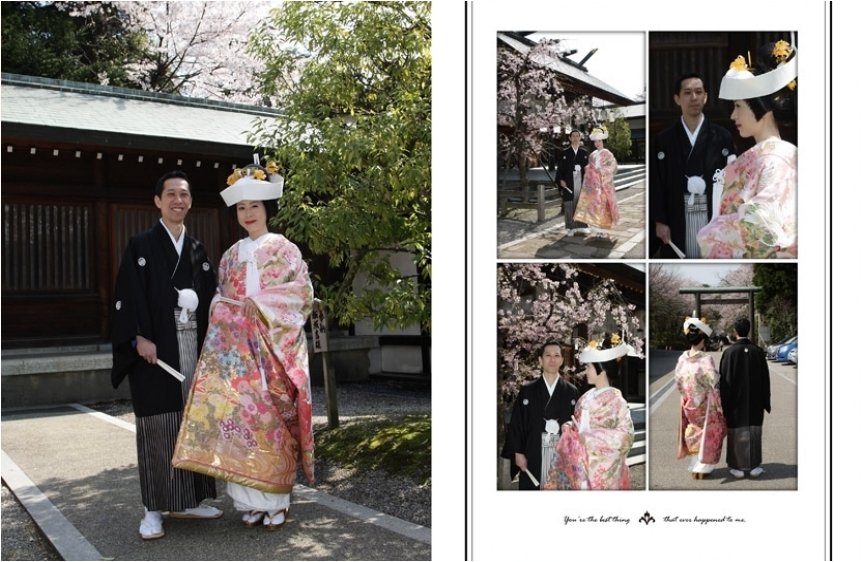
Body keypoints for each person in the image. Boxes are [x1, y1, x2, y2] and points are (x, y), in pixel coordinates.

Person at [172, 158, 315, 530]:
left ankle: (277, 500)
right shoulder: (230, 255)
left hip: (271, 349)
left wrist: (263, 306)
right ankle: (247, 501)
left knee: (269, 421)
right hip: (236, 354)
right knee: (237, 420)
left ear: (267, 209)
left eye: (254, 206)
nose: (248, 213)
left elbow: (300, 293)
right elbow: (219, 295)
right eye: (241, 207)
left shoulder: (284, 249)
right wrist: (221, 305)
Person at [110, 170, 221, 540]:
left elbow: (211, 300)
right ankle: (153, 509)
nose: (178, 200)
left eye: (184, 195)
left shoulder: (197, 249)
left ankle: (190, 499)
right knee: (158, 427)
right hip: (154, 352)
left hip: (192, 347)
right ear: (157, 201)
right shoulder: (140, 246)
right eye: (171, 194)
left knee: (192, 424)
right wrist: (138, 337)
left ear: (190, 201)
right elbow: (127, 295)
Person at [697, 40, 798, 258]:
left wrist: (711, 231)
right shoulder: (774, 155)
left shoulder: (775, 159)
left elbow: (762, 224)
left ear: (762, 106)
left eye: (738, 106)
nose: (733, 115)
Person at [650, 73, 736, 258]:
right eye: (687, 93)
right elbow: (656, 183)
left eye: (698, 92)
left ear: (706, 97)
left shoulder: (722, 137)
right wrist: (660, 220)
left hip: (713, 216)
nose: (694, 97)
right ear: (677, 99)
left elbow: (732, 183)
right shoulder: (664, 140)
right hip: (676, 216)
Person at [544, 336, 635, 490]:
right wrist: (569, 427)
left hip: (600, 471)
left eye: (588, 367)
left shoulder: (617, 402)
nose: (585, 371)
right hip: (578, 468)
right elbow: (579, 426)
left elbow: (626, 436)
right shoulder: (585, 398)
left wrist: (588, 437)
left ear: (602, 370)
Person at [501, 341, 580, 490]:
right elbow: (517, 424)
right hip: (532, 453)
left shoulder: (572, 391)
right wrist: (518, 452)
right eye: (548, 355)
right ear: (540, 360)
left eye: (557, 355)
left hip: (562, 455)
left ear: (562, 360)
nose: (552, 359)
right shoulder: (527, 390)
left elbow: (577, 426)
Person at [675, 314, 727, 480]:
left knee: (693, 431)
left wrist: (686, 394)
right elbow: (714, 380)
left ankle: (695, 464)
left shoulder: (682, 359)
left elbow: (678, 382)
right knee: (712, 430)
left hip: (688, 402)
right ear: (703, 339)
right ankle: (703, 466)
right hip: (705, 404)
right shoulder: (706, 359)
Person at [719, 318, 771, 478]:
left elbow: (724, 380)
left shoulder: (729, 353)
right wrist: (765, 401)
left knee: (736, 432)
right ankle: (754, 466)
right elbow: (765, 379)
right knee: (754, 431)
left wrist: (723, 403)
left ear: (735, 331)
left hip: (735, 402)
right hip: (755, 401)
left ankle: (737, 467)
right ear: (748, 330)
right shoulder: (758, 351)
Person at [572, 125, 619, 239]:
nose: (597, 143)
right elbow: (589, 168)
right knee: (594, 207)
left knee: (603, 207)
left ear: (603, 141)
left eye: (599, 141)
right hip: (594, 186)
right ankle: (597, 229)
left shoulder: (607, 153)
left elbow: (613, 166)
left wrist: (602, 171)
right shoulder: (592, 155)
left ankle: (603, 230)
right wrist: (589, 170)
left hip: (603, 185)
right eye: (596, 141)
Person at [554, 129, 590, 236]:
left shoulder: (584, 153)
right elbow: (560, 169)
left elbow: (588, 170)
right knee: (569, 205)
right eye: (573, 136)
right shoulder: (564, 153)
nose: (575, 138)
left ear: (580, 138)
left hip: (581, 183)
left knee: (581, 204)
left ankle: (582, 226)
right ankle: (570, 227)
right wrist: (561, 180)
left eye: (577, 136)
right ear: (570, 138)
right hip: (569, 183)